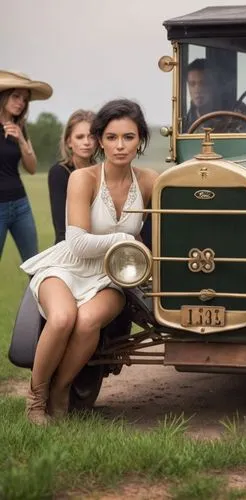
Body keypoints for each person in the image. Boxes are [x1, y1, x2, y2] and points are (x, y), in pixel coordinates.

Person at [20, 98, 159, 425]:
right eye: (111, 137)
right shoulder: (82, 179)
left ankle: (61, 391)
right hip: (67, 266)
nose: (120, 146)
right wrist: (126, 240)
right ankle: (35, 400)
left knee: (86, 322)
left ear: (140, 139)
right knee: (63, 318)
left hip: (112, 277)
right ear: (100, 140)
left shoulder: (151, 181)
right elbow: (78, 243)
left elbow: (166, 228)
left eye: (128, 137)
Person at [0, 70, 53, 261]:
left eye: (25, 99)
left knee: (34, 264)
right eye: (16, 96)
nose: (21, 102)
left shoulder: (20, 126)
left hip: (20, 205)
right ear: (4, 95)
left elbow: (31, 168)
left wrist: (21, 139)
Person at [48, 110, 97, 243]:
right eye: (80, 137)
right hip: (70, 246)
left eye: (91, 136)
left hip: (100, 245)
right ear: (69, 141)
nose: (86, 142)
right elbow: (62, 228)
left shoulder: (102, 171)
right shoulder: (59, 172)